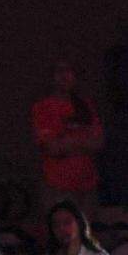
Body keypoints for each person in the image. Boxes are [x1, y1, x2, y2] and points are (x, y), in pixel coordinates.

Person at [31, 60, 104, 220]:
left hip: (87, 184)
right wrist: (81, 141)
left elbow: (98, 142)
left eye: (69, 71)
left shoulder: (86, 105)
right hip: (58, 185)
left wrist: (69, 141)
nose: (64, 76)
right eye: (60, 71)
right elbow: (53, 148)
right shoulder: (43, 107)